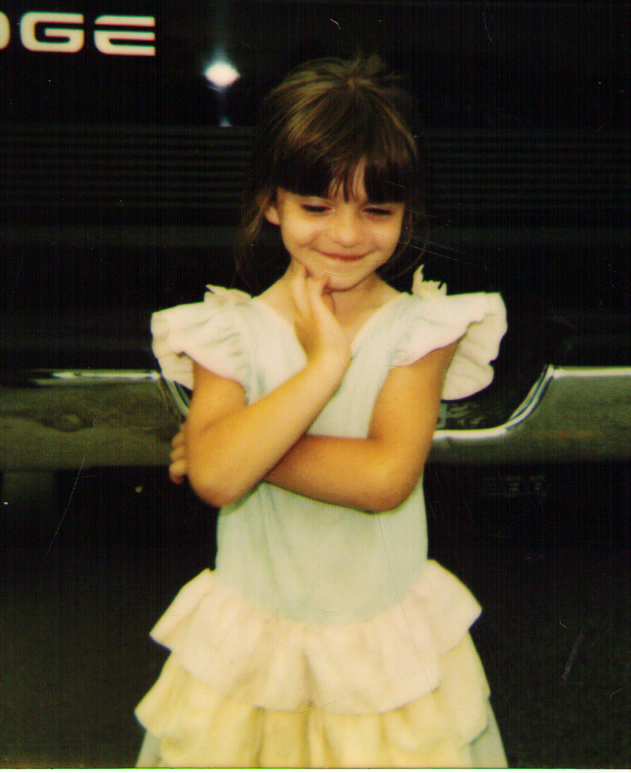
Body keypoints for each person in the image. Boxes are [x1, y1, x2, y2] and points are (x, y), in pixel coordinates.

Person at [135, 55, 508, 768]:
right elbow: (216, 478)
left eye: (377, 211)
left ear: (406, 213)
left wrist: (242, 447)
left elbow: (383, 477)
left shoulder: (420, 330)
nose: (345, 234)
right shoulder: (227, 331)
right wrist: (322, 369)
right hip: (252, 654)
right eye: (316, 206)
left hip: (381, 656)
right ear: (270, 202)